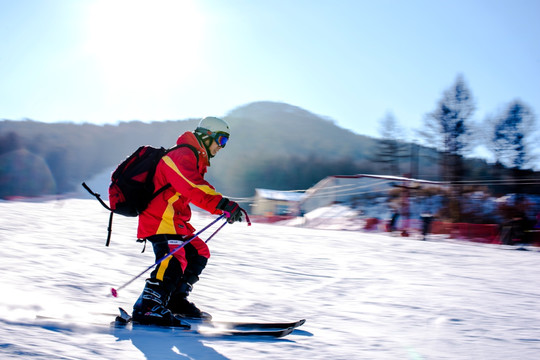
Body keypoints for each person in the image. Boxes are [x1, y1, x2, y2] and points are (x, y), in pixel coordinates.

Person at [132, 116, 245, 327]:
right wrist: (222, 204)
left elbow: (195, 186)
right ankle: (147, 306)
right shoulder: (181, 154)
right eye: (221, 141)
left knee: (198, 252)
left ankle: (174, 301)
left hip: (175, 220)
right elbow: (192, 185)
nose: (222, 147)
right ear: (207, 135)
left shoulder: (194, 159)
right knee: (174, 257)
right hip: (160, 218)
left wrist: (222, 206)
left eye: (225, 143)